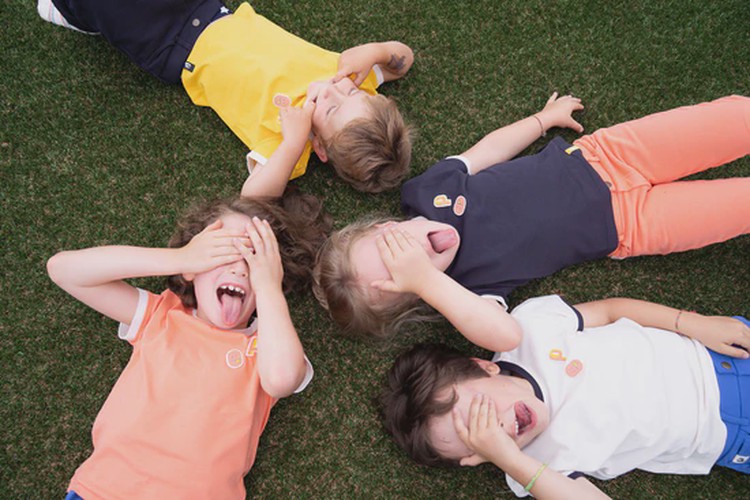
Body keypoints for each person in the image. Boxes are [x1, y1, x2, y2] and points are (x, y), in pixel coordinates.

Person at [313, 94, 750, 341]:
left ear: (385, 226)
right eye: (402, 273)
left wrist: (542, 120)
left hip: (607, 153)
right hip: (631, 224)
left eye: (393, 246)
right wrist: (429, 281)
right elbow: (508, 337)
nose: (413, 255)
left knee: (736, 118)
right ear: (413, 295)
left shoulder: (427, 192)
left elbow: (487, 152)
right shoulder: (467, 292)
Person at [47, 191, 331, 499]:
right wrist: (179, 258)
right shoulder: (161, 315)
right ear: (193, 270)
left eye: (253, 261)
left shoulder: (266, 345)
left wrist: (268, 287)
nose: (238, 269)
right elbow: (63, 271)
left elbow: (282, 379)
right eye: (222, 254)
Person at [381, 296, 750, 498]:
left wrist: (691, 323)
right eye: (481, 440)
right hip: (727, 431)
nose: (503, 428)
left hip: (718, 351)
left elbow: (610, 311)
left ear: (485, 367)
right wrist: (510, 460)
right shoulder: (538, 466)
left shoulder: (529, 330)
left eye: (483, 413)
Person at [37, 0, 414, 193]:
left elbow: (254, 196)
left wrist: (292, 140)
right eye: (349, 91)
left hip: (170, 48)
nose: (333, 88)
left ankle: (73, 13)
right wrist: (377, 51)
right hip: (207, 10)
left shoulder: (289, 143)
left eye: (331, 106)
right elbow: (404, 60)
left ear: (321, 148)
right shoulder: (352, 80)